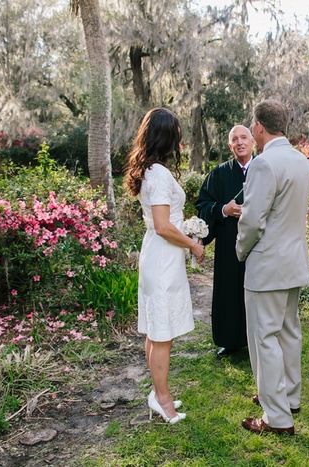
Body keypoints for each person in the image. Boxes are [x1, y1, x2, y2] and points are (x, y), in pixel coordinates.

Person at [235, 99, 309, 435]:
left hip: (267, 266)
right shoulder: (301, 161)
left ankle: (277, 418)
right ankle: (288, 397)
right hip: (294, 261)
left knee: (264, 338)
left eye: (252, 126)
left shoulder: (265, 164)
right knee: (289, 332)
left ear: (259, 128)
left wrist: (241, 251)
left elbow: (252, 221)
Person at [124, 107, 205, 424]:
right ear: (168, 137)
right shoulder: (158, 175)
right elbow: (163, 225)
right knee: (162, 334)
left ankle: (158, 392)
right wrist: (193, 243)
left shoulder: (151, 170)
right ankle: (162, 398)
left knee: (156, 330)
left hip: (159, 255)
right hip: (162, 255)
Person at [195, 125, 255, 359]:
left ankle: (256, 342)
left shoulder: (264, 170)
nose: (240, 143)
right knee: (230, 291)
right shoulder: (218, 174)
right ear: (230, 146)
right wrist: (223, 209)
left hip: (258, 245)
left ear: (252, 141)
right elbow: (203, 204)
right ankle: (229, 342)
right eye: (234, 140)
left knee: (256, 293)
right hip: (229, 244)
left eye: (243, 138)